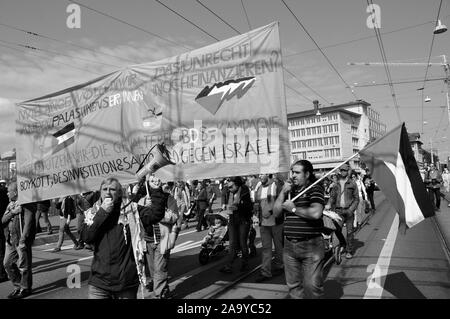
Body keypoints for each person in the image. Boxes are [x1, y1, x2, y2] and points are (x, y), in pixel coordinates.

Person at [80, 177, 165, 299]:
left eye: (112, 189)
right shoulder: (93, 212)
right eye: (105, 189)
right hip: (99, 283)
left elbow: (155, 215)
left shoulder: (132, 209)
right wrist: (103, 212)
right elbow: (86, 237)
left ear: (119, 192)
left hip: (126, 283)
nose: (108, 192)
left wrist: (156, 191)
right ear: (100, 192)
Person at [273, 160, 325, 299]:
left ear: (307, 174)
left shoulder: (315, 188)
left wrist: (294, 208)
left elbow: (316, 213)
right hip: (289, 246)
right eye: (292, 172)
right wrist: (283, 192)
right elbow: (276, 212)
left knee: (312, 286)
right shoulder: (290, 190)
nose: (293, 175)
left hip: (311, 245)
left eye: (297, 172)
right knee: (294, 287)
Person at [143, 181, 179, 299]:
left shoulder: (169, 198)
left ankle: (159, 295)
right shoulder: (145, 198)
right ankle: (164, 291)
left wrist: (157, 212)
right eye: (153, 182)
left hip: (162, 239)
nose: (156, 184)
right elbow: (138, 216)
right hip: (148, 239)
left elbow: (174, 216)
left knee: (160, 269)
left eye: (158, 182)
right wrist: (144, 206)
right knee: (153, 271)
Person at [2, 182, 37, 299]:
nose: (7, 193)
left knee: (24, 265)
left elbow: (29, 222)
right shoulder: (11, 205)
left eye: (9, 191)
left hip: (21, 239)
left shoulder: (26, 203)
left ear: (15, 192)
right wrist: (13, 212)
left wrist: (23, 240)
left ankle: (25, 288)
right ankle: (17, 286)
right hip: (10, 239)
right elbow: (2, 220)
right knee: (7, 264)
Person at [219, 176, 253, 273]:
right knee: (232, 243)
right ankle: (229, 265)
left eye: (231, 187)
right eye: (228, 187)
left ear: (237, 185)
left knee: (242, 243)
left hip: (243, 220)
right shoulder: (230, 192)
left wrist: (238, 206)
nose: (229, 189)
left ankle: (245, 263)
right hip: (233, 219)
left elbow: (248, 207)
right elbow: (224, 193)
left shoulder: (244, 191)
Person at [254, 174, 283, 282]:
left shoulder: (276, 185)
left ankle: (280, 265)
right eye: (260, 174)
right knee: (266, 249)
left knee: (278, 246)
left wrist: (272, 211)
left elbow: (282, 202)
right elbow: (257, 203)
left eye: (262, 174)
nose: (260, 176)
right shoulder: (259, 187)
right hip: (263, 223)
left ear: (268, 174)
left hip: (276, 222)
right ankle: (266, 272)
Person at [328, 163, 359, 259]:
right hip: (338, 211)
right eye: (341, 170)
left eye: (345, 170)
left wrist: (351, 209)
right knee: (336, 229)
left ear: (348, 171)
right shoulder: (336, 184)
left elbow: (356, 198)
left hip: (349, 211)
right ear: (339, 171)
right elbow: (332, 197)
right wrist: (328, 204)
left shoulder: (352, 183)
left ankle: (349, 251)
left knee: (350, 232)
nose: (343, 172)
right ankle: (343, 243)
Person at [0, 179, 9, 282]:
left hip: (3, 224)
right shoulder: (3, 192)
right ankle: (2, 273)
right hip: (3, 223)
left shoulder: (3, 192)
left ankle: (2, 274)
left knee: (2, 250)